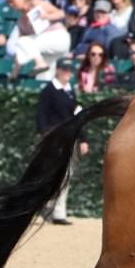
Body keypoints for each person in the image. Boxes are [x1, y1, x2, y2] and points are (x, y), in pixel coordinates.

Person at [36, 59, 89, 225]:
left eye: (70, 70)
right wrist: (46, 136)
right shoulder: (49, 91)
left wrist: (83, 138)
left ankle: (59, 212)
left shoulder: (69, 90)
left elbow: (77, 116)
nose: (68, 73)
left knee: (66, 174)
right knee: (52, 174)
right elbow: (41, 116)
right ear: (57, 70)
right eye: (65, 69)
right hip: (56, 139)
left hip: (69, 138)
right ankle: (45, 207)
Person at [6, 0, 70, 79]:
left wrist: (47, 16)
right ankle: (41, 64)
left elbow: (61, 14)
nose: (11, 5)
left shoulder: (35, 3)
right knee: (43, 79)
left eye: (12, 1)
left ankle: (40, 63)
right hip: (46, 50)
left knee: (24, 40)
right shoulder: (21, 21)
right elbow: (21, 47)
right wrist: (14, 73)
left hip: (58, 37)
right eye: (8, 3)